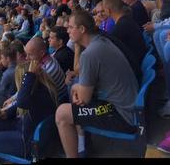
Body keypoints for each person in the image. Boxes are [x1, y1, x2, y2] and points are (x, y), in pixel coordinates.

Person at [55, 11, 139, 158]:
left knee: (62, 113)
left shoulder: (90, 54)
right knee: (75, 92)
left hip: (123, 115)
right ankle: (82, 142)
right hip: (127, 105)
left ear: (82, 29)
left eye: (70, 27)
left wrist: (76, 88)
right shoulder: (100, 41)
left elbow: (84, 98)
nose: (67, 30)